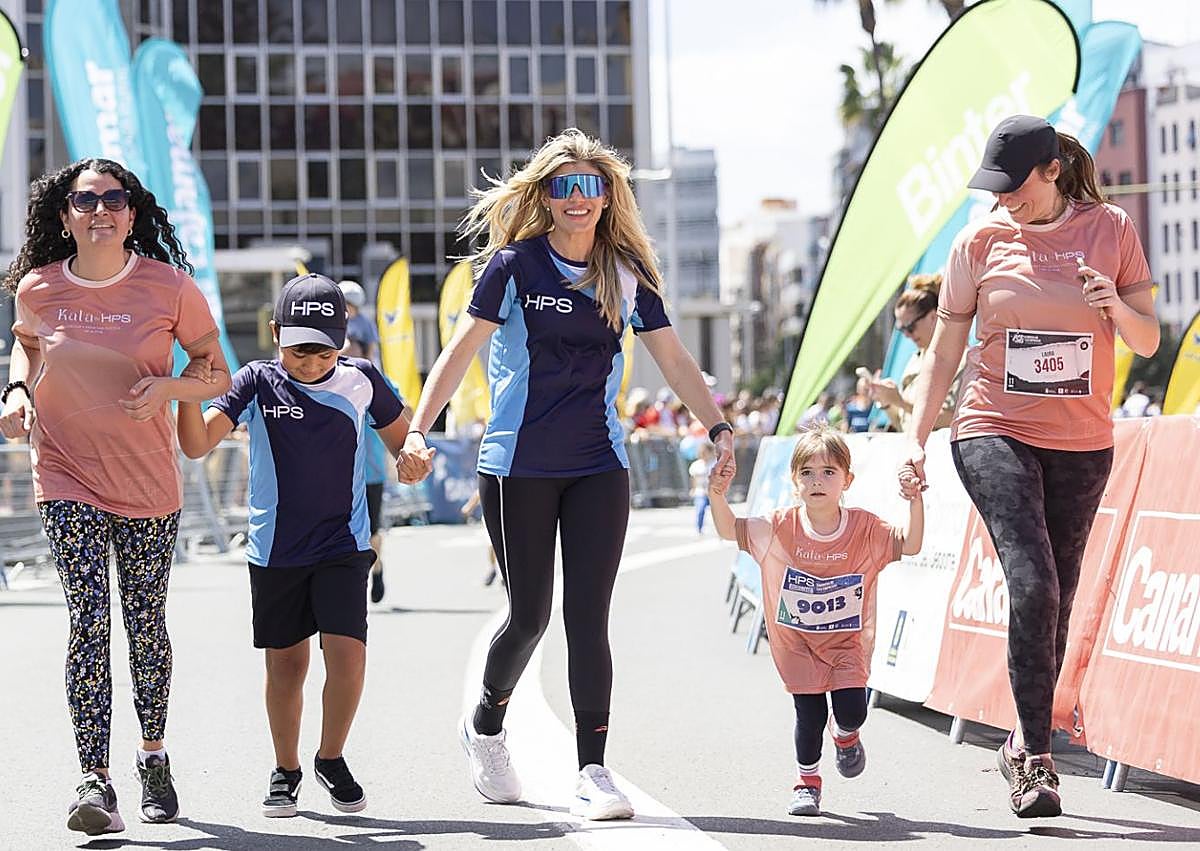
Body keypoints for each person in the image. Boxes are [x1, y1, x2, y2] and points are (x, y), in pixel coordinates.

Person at [396, 128, 736, 820]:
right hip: (517, 464)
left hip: (598, 465)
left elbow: (674, 361)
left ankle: (593, 768)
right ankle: (486, 724)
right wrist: (418, 433)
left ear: (608, 197)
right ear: (546, 198)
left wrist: (719, 425)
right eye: (563, 186)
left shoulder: (626, 277)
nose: (577, 199)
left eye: (590, 186)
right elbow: (459, 352)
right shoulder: (514, 266)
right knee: (529, 615)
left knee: (589, 617)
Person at [903, 115, 1159, 818]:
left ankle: (1020, 738)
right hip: (992, 428)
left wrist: (1112, 304)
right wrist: (915, 436)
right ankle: (1038, 762)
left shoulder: (1110, 230)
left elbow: (1146, 331)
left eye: (1014, 187)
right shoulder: (979, 242)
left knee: (1059, 598)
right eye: (996, 189)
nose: (1004, 200)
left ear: (1051, 171)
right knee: (1033, 578)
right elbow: (944, 354)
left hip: (1082, 441)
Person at [0, 158, 231, 835]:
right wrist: (15, 391)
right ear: (64, 214)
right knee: (88, 620)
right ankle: (94, 778)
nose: (100, 208)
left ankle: (152, 754)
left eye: (113, 197)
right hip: (65, 471)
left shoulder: (170, 287)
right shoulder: (38, 289)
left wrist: (168, 390)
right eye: (85, 198)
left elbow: (215, 370)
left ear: (132, 213)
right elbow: (27, 350)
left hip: (147, 482)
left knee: (145, 625)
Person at [176, 274, 420, 818]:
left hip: (343, 544)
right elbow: (195, 446)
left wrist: (417, 455)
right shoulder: (255, 381)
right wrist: (187, 391)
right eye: (297, 347)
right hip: (276, 547)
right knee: (286, 666)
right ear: (274, 333)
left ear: (344, 337)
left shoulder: (362, 379)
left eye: (323, 348)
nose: (310, 360)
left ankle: (330, 757)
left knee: (349, 658)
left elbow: (406, 440)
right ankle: (285, 768)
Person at [708, 428, 923, 816]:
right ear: (794, 481)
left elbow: (910, 543)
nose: (817, 481)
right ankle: (806, 783)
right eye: (807, 472)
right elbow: (729, 530)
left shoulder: (864, 527)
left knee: (852, 710)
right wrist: (717, 494)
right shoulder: (779, 526)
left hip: (847, 644)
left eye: (828, 472)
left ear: (847, 480)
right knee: (809, 715)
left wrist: (915, 500)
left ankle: (845, 738)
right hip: (797, 645)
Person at [869, 274, 965, 432]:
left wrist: (900, 401)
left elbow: (953, 419)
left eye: (910, 327)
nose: (906, 334)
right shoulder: (916, 359)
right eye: (901, 329)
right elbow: (904, 424)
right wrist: (886, 401)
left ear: (933, 316)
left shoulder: (960, 359)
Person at [346, 335, 395, 603]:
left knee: (372, 531)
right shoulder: (333, 384)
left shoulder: (378, 383)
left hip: (371, 472)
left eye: (352, 351)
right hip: (340, 473)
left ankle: (377, 571)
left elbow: (403, 410)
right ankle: (354, 579)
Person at [339, 280, 379, 362]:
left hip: (357, 361)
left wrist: (369, 361)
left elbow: (371, 344)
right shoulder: (336, 320)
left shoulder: (364, 322)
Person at [689, 442, 714, 534]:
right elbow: (693, 478)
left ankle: (721, 530)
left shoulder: (714, 464)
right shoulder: (696, 465)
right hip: (701, 491)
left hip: (713, 492)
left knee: (717, 512)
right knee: (700, 509)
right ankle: (699, 529)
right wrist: (693, 489)